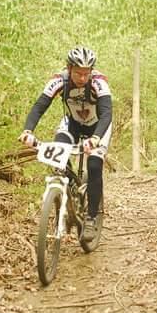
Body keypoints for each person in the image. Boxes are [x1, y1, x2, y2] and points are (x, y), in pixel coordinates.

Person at [19, 46, 112, 241]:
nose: (82, 78)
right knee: (57, 160)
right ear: (69, 68)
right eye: (78, 73)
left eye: (86, 73)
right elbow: (40, 105)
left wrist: (95, 138)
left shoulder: (99, 82)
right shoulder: (58, 80)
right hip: (72, 124)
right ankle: (67, 192)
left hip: (97, 127)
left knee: (94, 165)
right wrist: (28, 131)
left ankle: (91, 218)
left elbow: (107, 114)